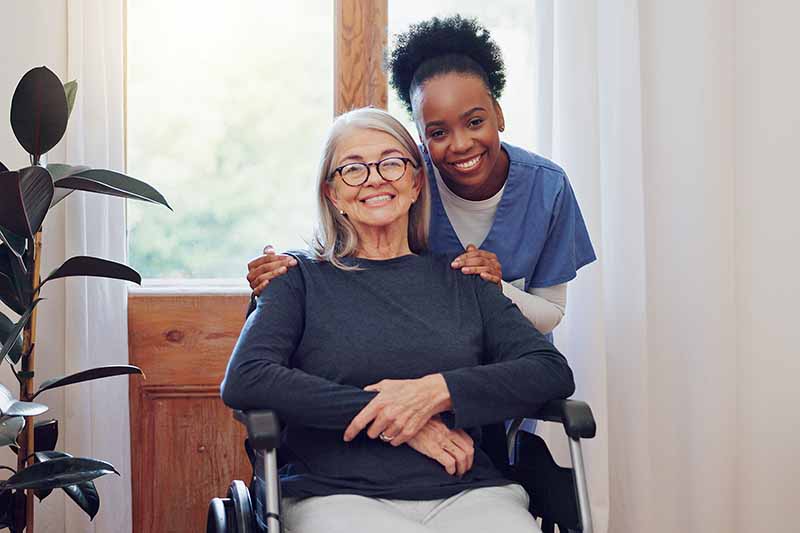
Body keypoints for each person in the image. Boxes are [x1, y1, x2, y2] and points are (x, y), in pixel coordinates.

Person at [221, 107, 575, 533]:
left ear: (415, 181)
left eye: (391, 163)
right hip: (336, 494)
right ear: (333, 194)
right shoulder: (296, 279)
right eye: (352, 168)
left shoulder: (466, 279)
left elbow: (550, 371)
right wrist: (396, 418)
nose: (375, 178)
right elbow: (248, 378)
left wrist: (435, 392)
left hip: (468, 491)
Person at [246, 15, 595, 339]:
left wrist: (494, 284)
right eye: (438, 132)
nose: (461, 144)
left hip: (512, 362)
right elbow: (349, 257)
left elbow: (551, 312)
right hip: (425, 357)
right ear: (420, 137)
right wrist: (287, 270)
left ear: (499, 115)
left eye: (475, 122)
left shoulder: (548, 188)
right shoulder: (400, 179)